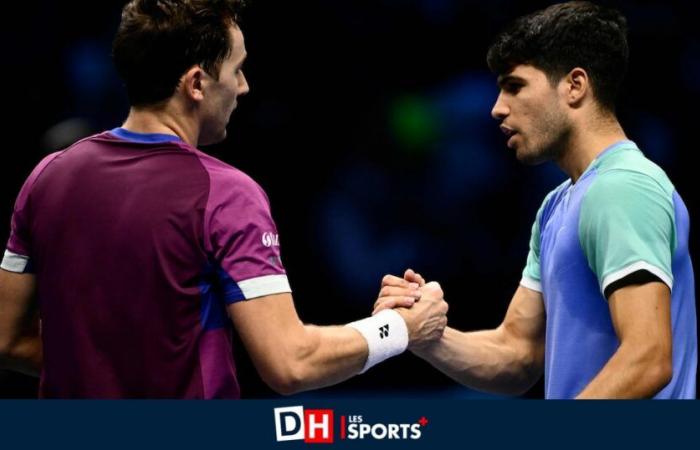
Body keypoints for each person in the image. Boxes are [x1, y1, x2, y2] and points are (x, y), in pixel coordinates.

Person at [0, 0, 448, 398]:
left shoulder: (47, 176)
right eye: (237, 68)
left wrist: (107, 375)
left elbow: (8, 339)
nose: (244, 86)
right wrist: (400, 329)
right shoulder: (226, 194)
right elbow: (291, 363)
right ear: (197, 84)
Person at [375, 1, 696, 399]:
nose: (497, 109)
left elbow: (648, 358)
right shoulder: (556, 205)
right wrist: (422, 335)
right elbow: (517, 355)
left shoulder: (623, 188)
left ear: (574, 86)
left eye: (515, 86)